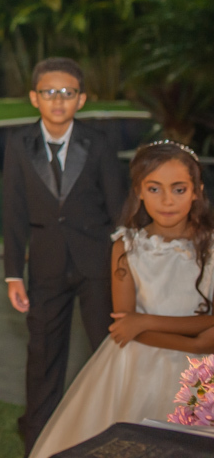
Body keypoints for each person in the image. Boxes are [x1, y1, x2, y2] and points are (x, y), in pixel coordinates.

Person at [29, 142, 214, 458]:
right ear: (139, 191)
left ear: (196, 191)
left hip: (201, 375)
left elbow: (138, 324)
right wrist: (194, 341)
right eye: (154, 189)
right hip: (135, 367)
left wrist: (148, 322)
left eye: (179, 189)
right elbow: (123, 327)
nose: (167, 200)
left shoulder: (210, 246)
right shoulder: (126, 247)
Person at [2, 57, 126, 454]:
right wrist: (12, 273)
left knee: (107, 350)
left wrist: (123, 268)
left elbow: (119, 208)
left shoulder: (99, 143)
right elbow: (14, 212)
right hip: (45, 266)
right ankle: (38, 440)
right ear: (34, 98)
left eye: (67, 93)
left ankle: (113, 432)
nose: (58, 101)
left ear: (82, 99)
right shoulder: (19, 145)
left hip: (96, 265)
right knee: (42, 357)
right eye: (50, 93)